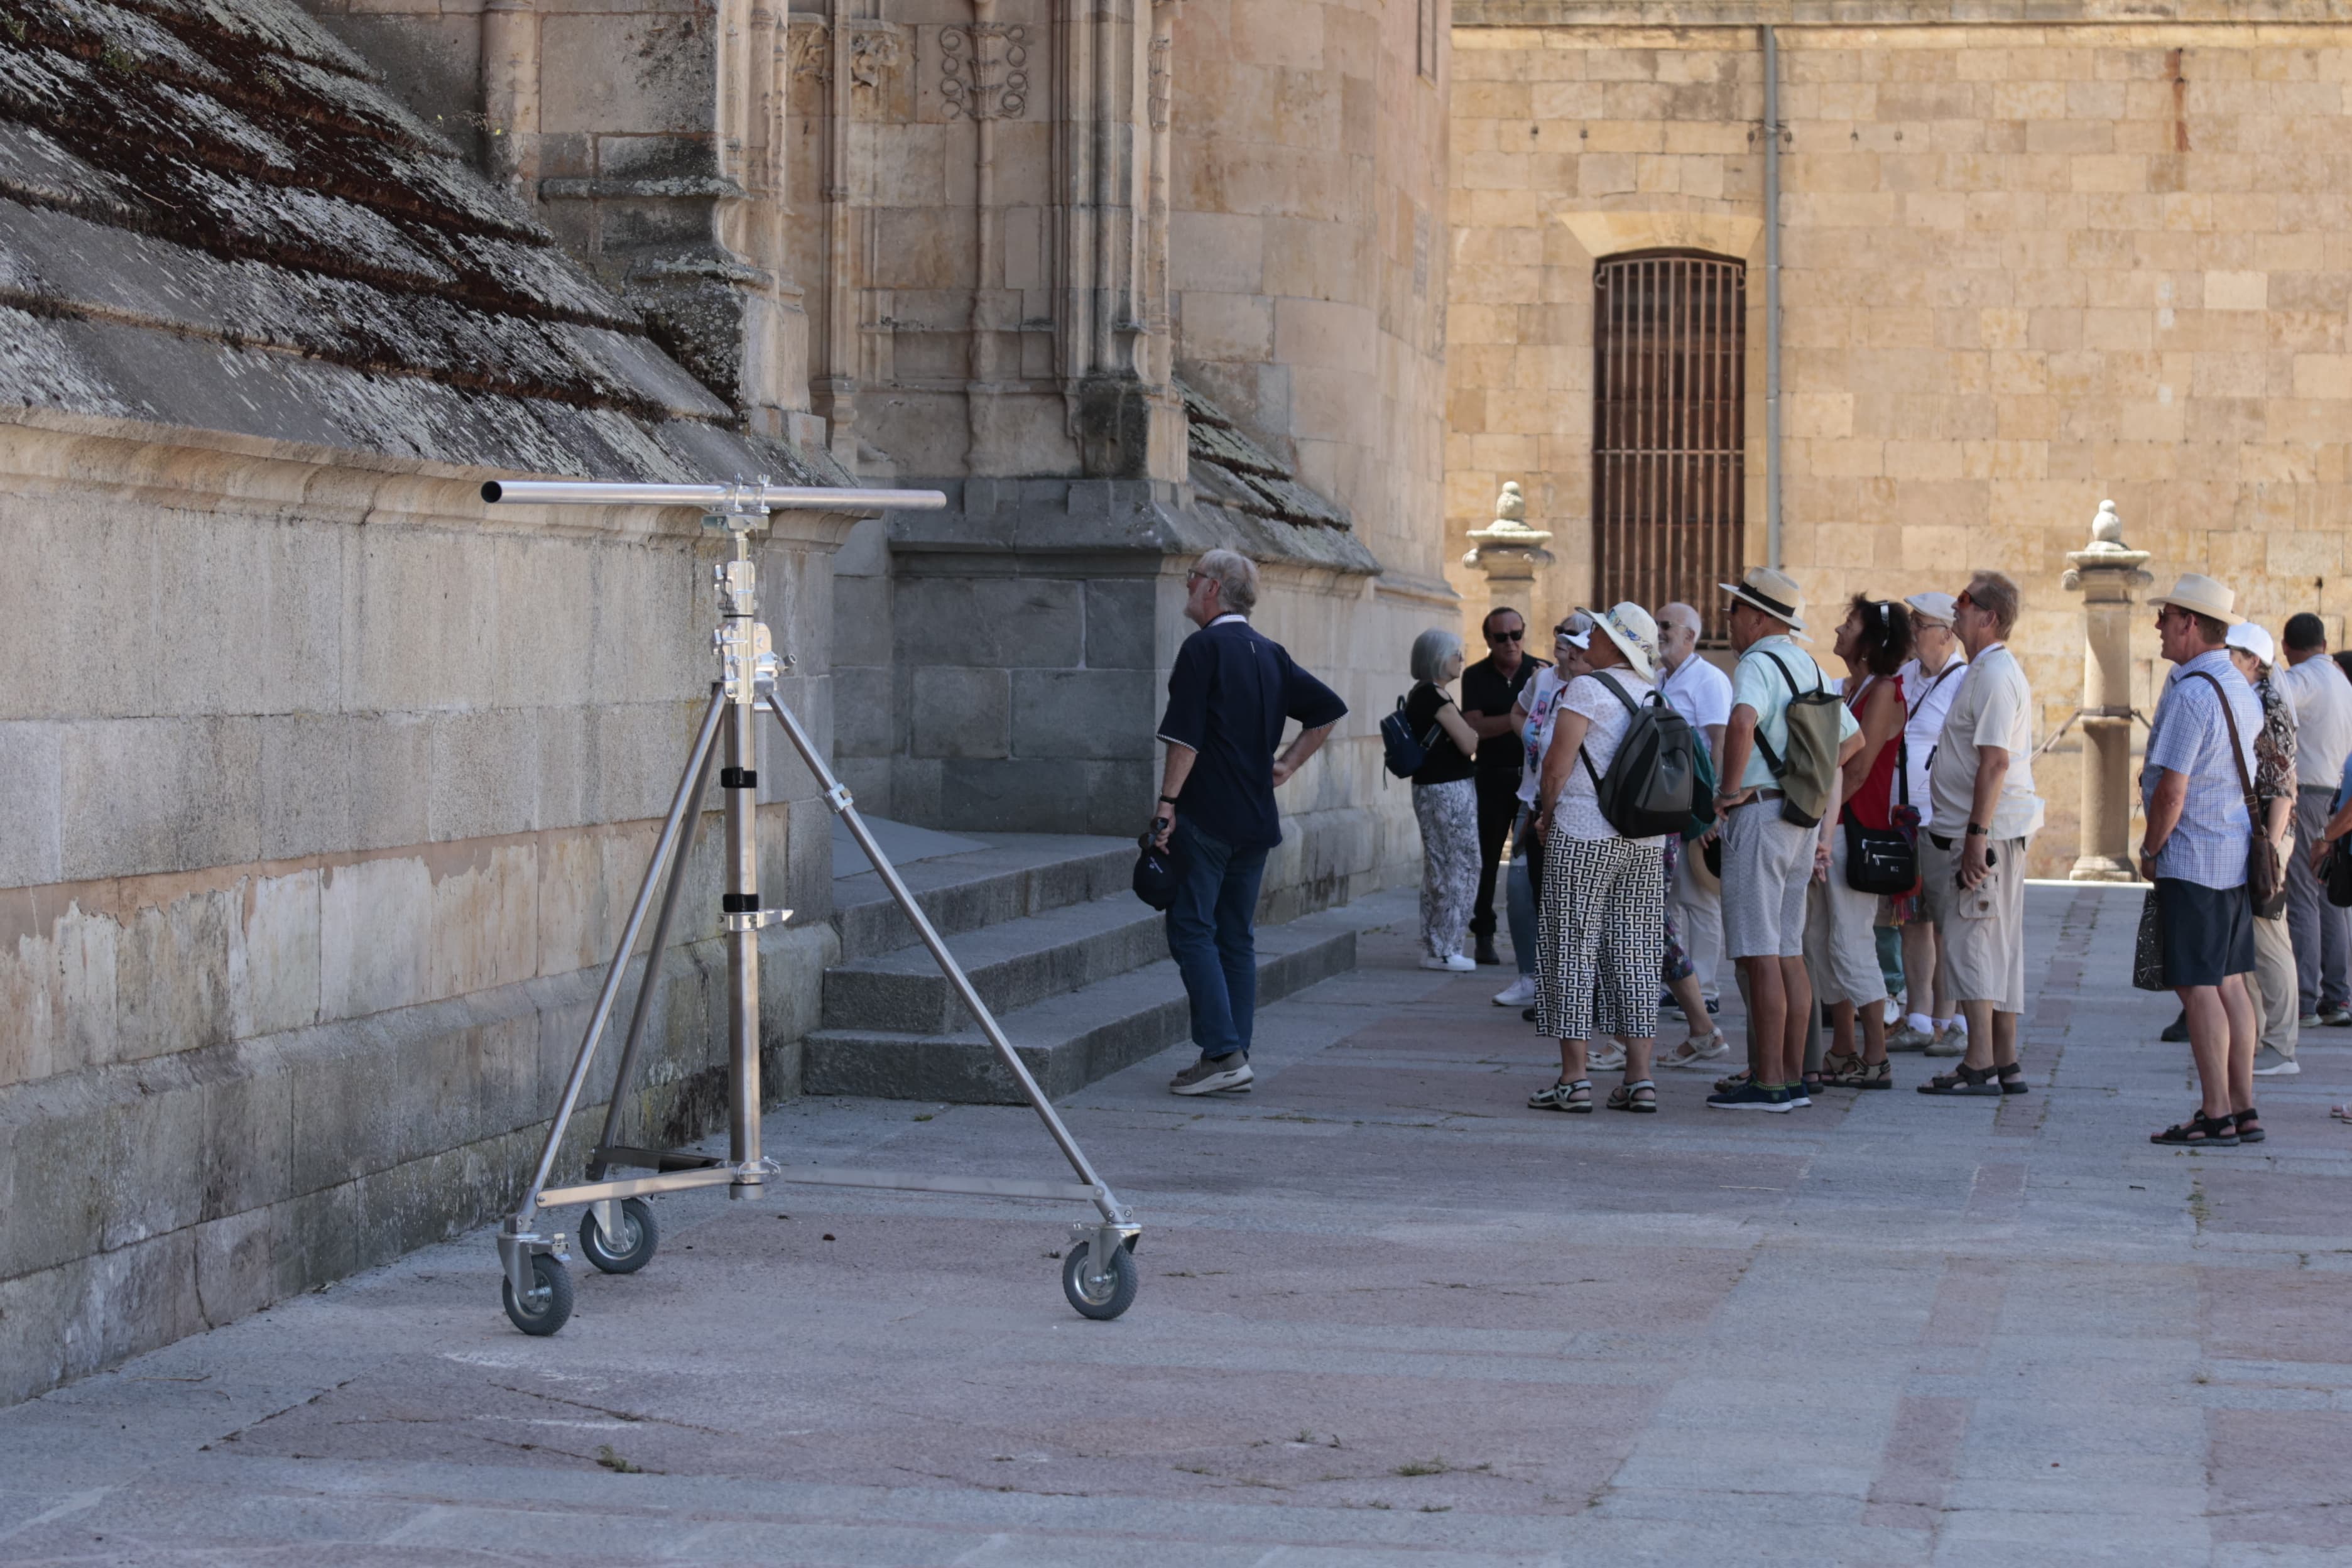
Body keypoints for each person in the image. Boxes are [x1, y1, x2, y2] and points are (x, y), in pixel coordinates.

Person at [1153, 550, 1347, 1096]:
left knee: (1192, 928)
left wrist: (1166, 804)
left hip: (1207, 814)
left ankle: (1221, 1052)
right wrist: (1286, 763)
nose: (1186, 586)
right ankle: (1234, 1052)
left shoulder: (1204, 648)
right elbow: (1328, 709)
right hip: (1256, 819)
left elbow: (1184, 739)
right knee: (1235, 936)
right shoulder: (1270, 651)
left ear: (1212, 588)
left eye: (1192, 578)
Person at [1708, 567, 1862, 1112]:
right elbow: (1852, 739)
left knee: (1759, 951)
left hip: (1758, 814)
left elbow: (1743, 720)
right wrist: (1807, 784)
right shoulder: (1809, 665)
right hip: (1799, 819)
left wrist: (1728, 791)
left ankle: (1769, 1080)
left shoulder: (1755, 663)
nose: (1728, 621)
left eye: (1733, 612)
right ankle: (1795, 1078)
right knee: (1789, 951)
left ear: (1757, 617)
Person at [1527, 604, 1671, 1115]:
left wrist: (1546, 816)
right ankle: (1640, 1078)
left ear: (1618, 646)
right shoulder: (1653, 692)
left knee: (1571, 947)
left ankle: (1574, 1078)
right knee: (1635, 952)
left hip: (1584, 830)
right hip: (1643, 840)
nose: (1592, 639)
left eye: (1603, 634)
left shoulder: (1587, 689)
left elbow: (1555, 766)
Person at [2134, 574, 2262, 1145]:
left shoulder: (2190, 693)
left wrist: (2150, 846)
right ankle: (2243, 1107)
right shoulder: (2236, 683)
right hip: (2231, 854)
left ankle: (2215, 1113)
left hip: (2193, 855)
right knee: (2231, 983)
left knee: (2198, 986)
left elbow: (2172, 792)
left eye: (2165, 616)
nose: (2158, 626)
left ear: (2189, 622)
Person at [1915, 571, 2044, 1101]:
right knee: (1998, 947)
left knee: (1973, 946)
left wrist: (1975, 836)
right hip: (1991, 829)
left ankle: (1979, 1061)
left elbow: (1994, 762)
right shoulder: (1984, 670)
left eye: (1964, 602)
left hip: (1986, 832)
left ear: (1989, 617)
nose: (1955, 609)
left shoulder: (1993, 674)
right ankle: (2006, 1061)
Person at [1809, 597, 1912, 1091]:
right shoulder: (1856, 689)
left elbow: (1858, 769)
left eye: (1849, 623)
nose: (1838, 628)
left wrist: (1821, 825)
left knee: (1851, 942)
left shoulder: (1886, 691)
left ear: (1870, 641)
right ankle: (1843, 1047)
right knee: (1823, 942)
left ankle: (1876, 1054)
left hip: (1853, 830)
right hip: (1839, 828)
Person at [1494, 616, 1589, 1011]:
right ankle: (1535, 979)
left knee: (1564, 902)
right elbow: (1518, 714)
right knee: (1525, 892)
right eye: (1558, 635)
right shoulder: (1543, 680)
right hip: (1532, 797)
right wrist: (1530, 740)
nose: (1561, 644)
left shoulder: (1589, 687)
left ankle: (1562, 991)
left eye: (1571, 638)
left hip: (1570, 806)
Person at [1891, 592, 1969, 1055]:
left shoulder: (1964, 681)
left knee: (1946, 921)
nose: (1913, 632)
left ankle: (1953, 1017)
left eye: (1920, 625)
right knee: (1912, 919)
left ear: (1947, 632)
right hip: (1903, 819)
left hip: (1942, 819)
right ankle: (1919, 1017)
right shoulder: (1905, 674)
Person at [2226, 622, 2300, 1077]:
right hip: (2254, 836)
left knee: (2270, 939)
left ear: (2254, 661)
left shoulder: (2268, 704)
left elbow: (2282, 786)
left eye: (2233, 654)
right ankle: (2257, 1037)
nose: (2227, 661)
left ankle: (2282, 1044)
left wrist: (2270, 852)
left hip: (2267, 838)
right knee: (2249, 939)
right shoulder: (2251, 698)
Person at [1459, 609, 1550, 967]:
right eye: (1502, 637)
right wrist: (1523, 719)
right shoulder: (1475, 676)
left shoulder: (1541, 671)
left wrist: (1509, 720)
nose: (1511, 643)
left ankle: (1539, 940)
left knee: (1535, 862)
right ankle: (1483, 932)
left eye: (1517, 634)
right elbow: (1474, 727)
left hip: (1531, 781)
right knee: (1486, 858)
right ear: (1488, 641)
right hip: (1492, 777)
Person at [2277, 612, 2352, 1028]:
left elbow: (2271, 696)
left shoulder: (2302, 678)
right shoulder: (2342, 680)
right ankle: (2338, 999)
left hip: (2308, 795)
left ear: (2288, 648)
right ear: (2323, 643)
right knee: (2332, 899)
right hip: (2339, 798)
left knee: (2303, 896)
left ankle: (2305, 1001)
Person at [1657, 602, 1733, 1013]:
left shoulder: (1709, 679)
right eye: (1657, 625)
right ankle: (1679, 981)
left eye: (1666, 625)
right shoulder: (1660, 677)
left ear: (1690, 635)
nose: (1658, 632)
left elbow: (1719, 742)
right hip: (1666, 802)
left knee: (1700, 898)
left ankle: (1704, 990)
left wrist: (1713, 810)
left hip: (1697, 801)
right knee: (1669, 898)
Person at [1404, 629, 1483, 973]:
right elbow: (1469, 743)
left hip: (1429, 788)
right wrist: (1473, 733)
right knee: (1462, 865)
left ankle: (1433, 945)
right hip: (1448, 789)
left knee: (1438, 866)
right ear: (1438, 657)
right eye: (1456, 654)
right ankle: (1448, 947)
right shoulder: (1436, 697)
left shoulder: (1418, 694)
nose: (1461, 660)